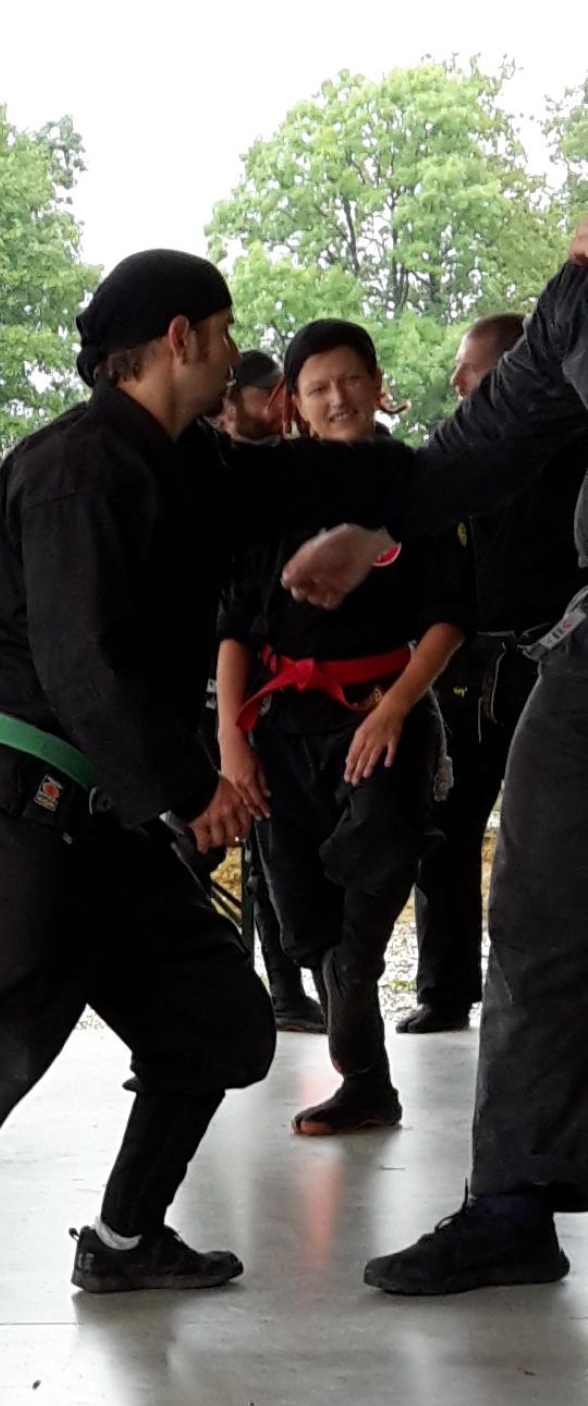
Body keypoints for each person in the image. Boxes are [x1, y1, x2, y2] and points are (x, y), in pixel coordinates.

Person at [0, 250, 419, 1377]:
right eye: (224, 332)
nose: (237, 354)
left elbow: (312, 481)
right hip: (20, 811)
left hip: (107, 825)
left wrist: (402, 501)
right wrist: (191, 792)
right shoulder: (73, 470)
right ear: (181, 338)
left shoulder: (190, 462)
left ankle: (124, 1241)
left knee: (218, 1025)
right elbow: (81, 667)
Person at [279, 240, 588, 1300]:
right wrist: (369, 530)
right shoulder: (580, 298)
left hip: (451, 686)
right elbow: (496, 426)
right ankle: (510, 1203)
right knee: (537, 912)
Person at [216, 317, 470, 1135]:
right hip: (282, 728)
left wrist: (397, 706)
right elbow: (236, 628)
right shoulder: (269, 489)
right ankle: (367, 1081)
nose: (338, 398)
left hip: (383, 717)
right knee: (307, 922)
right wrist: (231, 743)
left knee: (373, 874)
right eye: (318, 386)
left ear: (378, 383)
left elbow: (449, 615)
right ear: (292, 402)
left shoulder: (413, 483)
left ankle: (357, 1004)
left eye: (351, 380)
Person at [404, 313, 588, 1034]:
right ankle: (444, 988)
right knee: (447, 826)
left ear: (515, 372)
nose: (455, 380)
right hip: (469, 663)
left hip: (556, 657)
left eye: (470, 368)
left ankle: (551, 995)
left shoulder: (571, 445)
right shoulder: (464, 462)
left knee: (552, 831)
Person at [212, 349, 322, 1033]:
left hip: (270, 682)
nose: (279, 406)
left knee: (270, 840)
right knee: (203, 842)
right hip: (219, 679)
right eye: (268, 394)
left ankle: (286, 987)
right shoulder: (204, 469)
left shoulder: (290, 472)